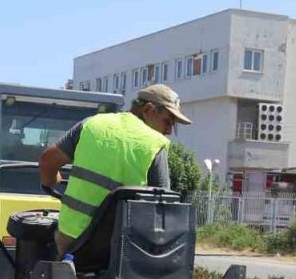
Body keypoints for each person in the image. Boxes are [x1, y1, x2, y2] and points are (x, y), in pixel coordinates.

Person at [38, 84, 190, 255]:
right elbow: (163, 206)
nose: (169, 130)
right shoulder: (154, 144)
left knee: (60, 265)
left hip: (72, 238)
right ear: (148, 109)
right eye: (168, 122)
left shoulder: (93, 124)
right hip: (123, 247)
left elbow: (47, 161)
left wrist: (51, 181)